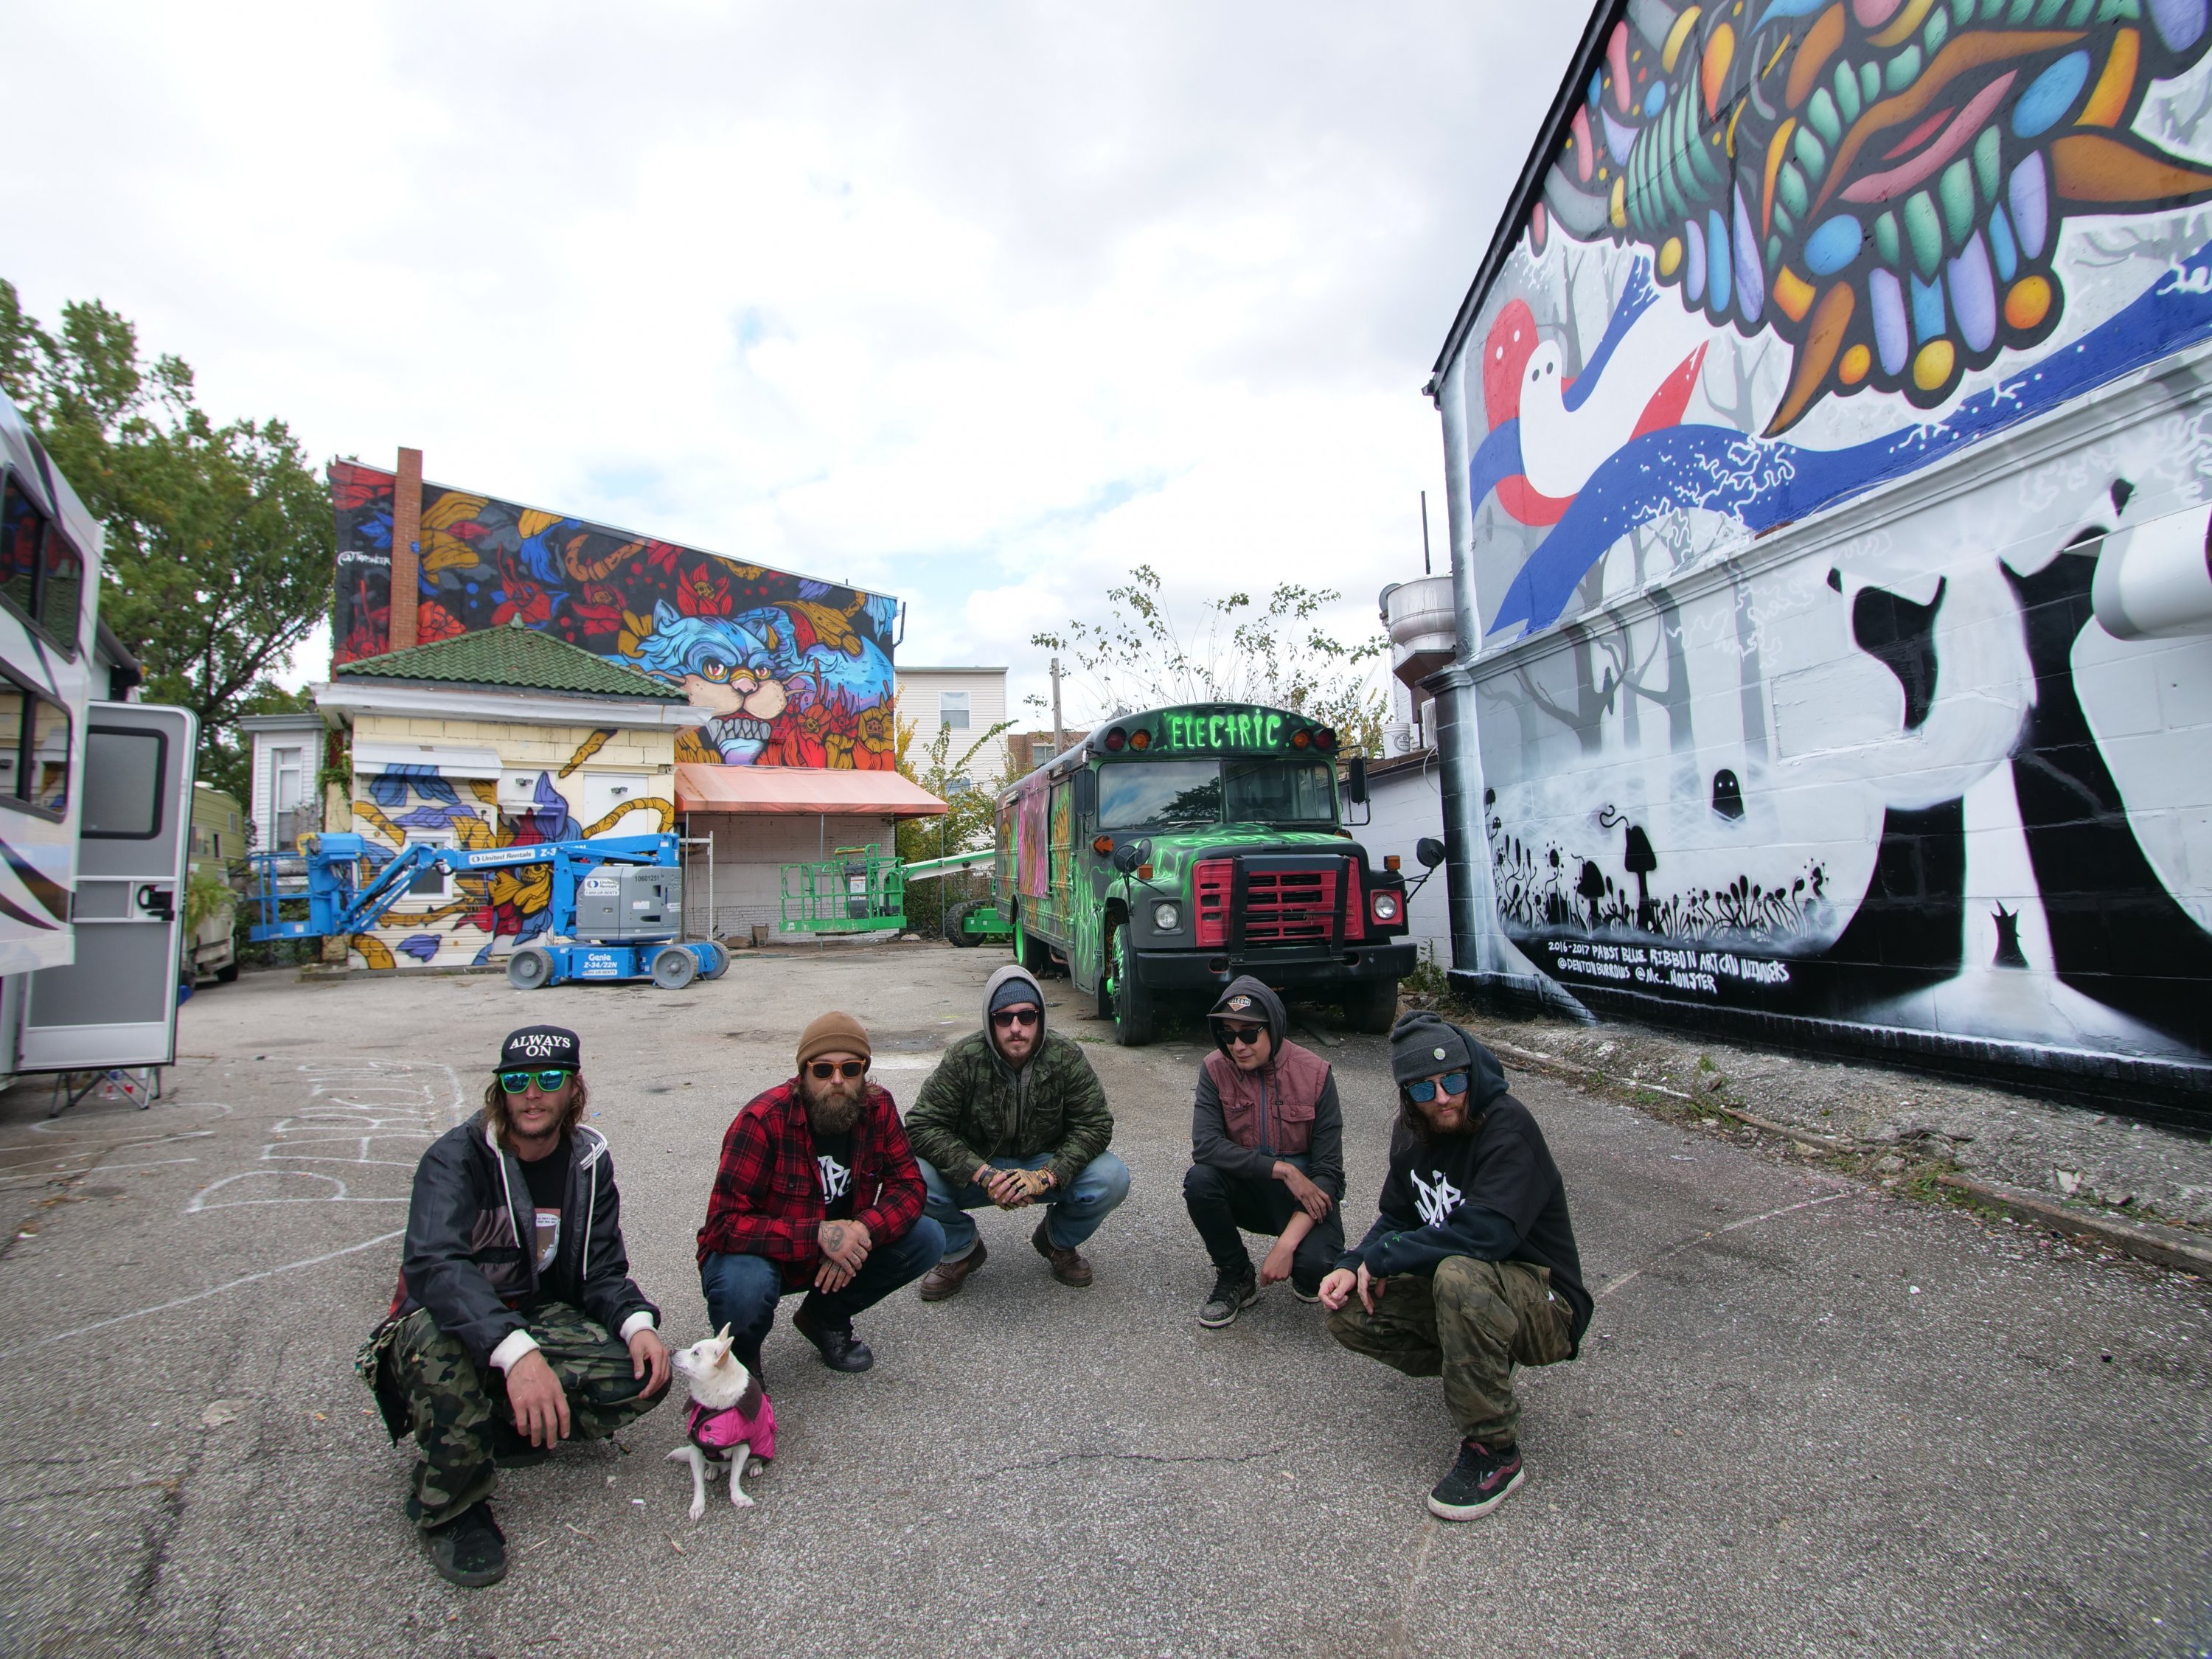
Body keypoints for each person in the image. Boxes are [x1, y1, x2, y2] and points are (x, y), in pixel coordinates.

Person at [358, 1024, 672, 1588]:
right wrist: (519, 1354)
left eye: (548, 1078)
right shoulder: (456, 1158)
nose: (532, 1092)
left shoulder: (588, 1160)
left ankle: (494, 1426)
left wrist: (636, 1323)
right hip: (434, 1324)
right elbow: (435, 1267)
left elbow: (599, 1269)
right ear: (500, 1088)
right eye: (516, 1079)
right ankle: (451, 1508)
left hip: (528, 1313)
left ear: (574, 1089)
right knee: (440, 1345)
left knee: (641, 1372)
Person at [1320, 1011, 1591, 1523]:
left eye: (1454, 1081)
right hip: (1480, 1298)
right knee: (1348, 1310)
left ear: (1471, 1071)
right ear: (1408, 1096)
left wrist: (1383, 1257)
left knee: (1458, 1272)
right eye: (1425, 1089)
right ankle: (1482, 1358)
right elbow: (1398, 1216)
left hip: (1548, 1303)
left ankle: (1495, 1451)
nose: (1443, 1098)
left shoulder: (1508, 1125)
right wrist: (1354, 1260)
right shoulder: (1411, 1134)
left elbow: (1486, 1235)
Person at [696, 1012, 941, 1375]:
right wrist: (819, 1236)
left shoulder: (878, 1108)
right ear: (804, 1073)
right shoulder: (763, 1121)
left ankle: (824, 1318)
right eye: (823, 1071)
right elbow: (723, 1225)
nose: (838, 1081)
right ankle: (740, 1362)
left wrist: (861, 1231)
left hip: (839, 1249)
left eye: (851, 1069)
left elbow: (909, 1186)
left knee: (927, 1238)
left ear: (864, 1072)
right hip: (769, 1254)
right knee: (744, 1286)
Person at [906, 964, 1130, 1298]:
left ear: (1039, 1017)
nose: (1016, 1028)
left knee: (1112, 1177)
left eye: (1027, 1016)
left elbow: (1095, 1124)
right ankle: (961, 1250)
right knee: (911, 1177)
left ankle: (1057, 1241)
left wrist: (1045, 1177)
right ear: (989, 1020)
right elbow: (922, 1125)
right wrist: (982, 1175)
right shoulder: (963, 1058)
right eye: (1003, 1018)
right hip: (978, 1169)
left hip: (1042, 1165)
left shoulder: (1066, 1056)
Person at [1183, 976, 1345, 1326]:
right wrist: (1283, 1170)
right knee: (1201, 1180)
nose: (1237, 1045)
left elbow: (1330, 1171)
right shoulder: (1214, 1069)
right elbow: (1206, 1146)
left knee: (1316, 1272)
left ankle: (1304, 1260)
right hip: (1250, 1191)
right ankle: (1236, 1273)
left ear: (1274, 1028)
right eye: (1228, 1034)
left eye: (1249, 1033)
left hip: (1303, 1204)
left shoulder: (1316, 1074)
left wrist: (1286, 1246)